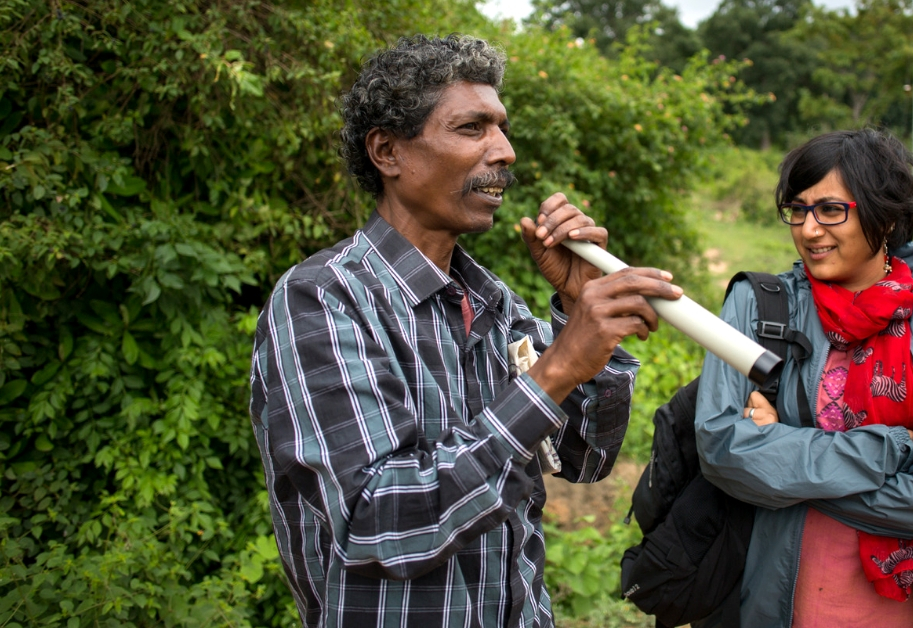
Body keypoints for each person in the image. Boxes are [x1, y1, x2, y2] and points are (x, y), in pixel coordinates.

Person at [248, 34, 681, 627]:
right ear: (388, 152)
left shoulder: (492, 302)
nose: (503, 151)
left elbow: (585, 458)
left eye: (501, 128)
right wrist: (555, 371)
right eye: (472, 129)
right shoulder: (323, 299)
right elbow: (376, 525)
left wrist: (577, 313)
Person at [694, 128, 913, 628]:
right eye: (798, 209)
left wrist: (783, 453)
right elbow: (722, 449)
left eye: (831, 210)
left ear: (887, 216)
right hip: (776, 599)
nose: (810, 229)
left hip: (900, 609)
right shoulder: (758, 306)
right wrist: (887, 450)